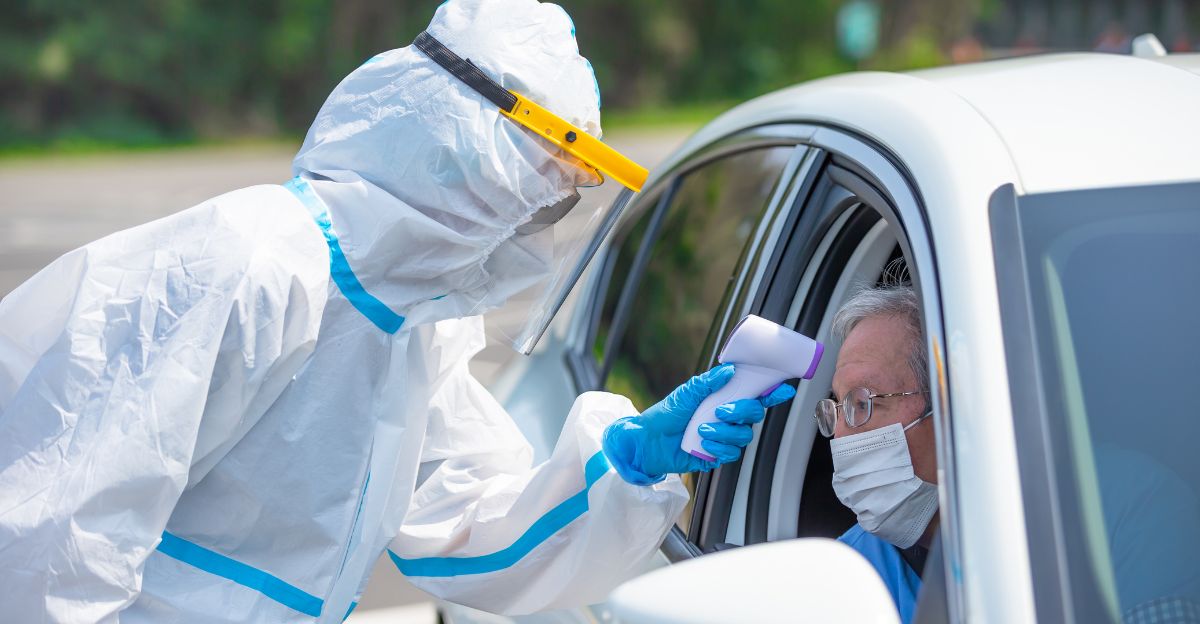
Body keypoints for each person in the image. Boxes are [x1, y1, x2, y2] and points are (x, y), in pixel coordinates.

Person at [0, 1, 794, 621]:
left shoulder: (415, 326)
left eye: (575, 180)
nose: (555, 202)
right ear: (459, 139)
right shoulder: (247, 264)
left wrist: (626, 464)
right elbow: (53, 541)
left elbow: (461, 528)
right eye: (553, 164)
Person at [817, 282, 1200, 624]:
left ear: (956, 404)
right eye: (835, 408)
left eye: (862, 403)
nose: (840, 434)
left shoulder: (1123, 508)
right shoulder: (847, 571)